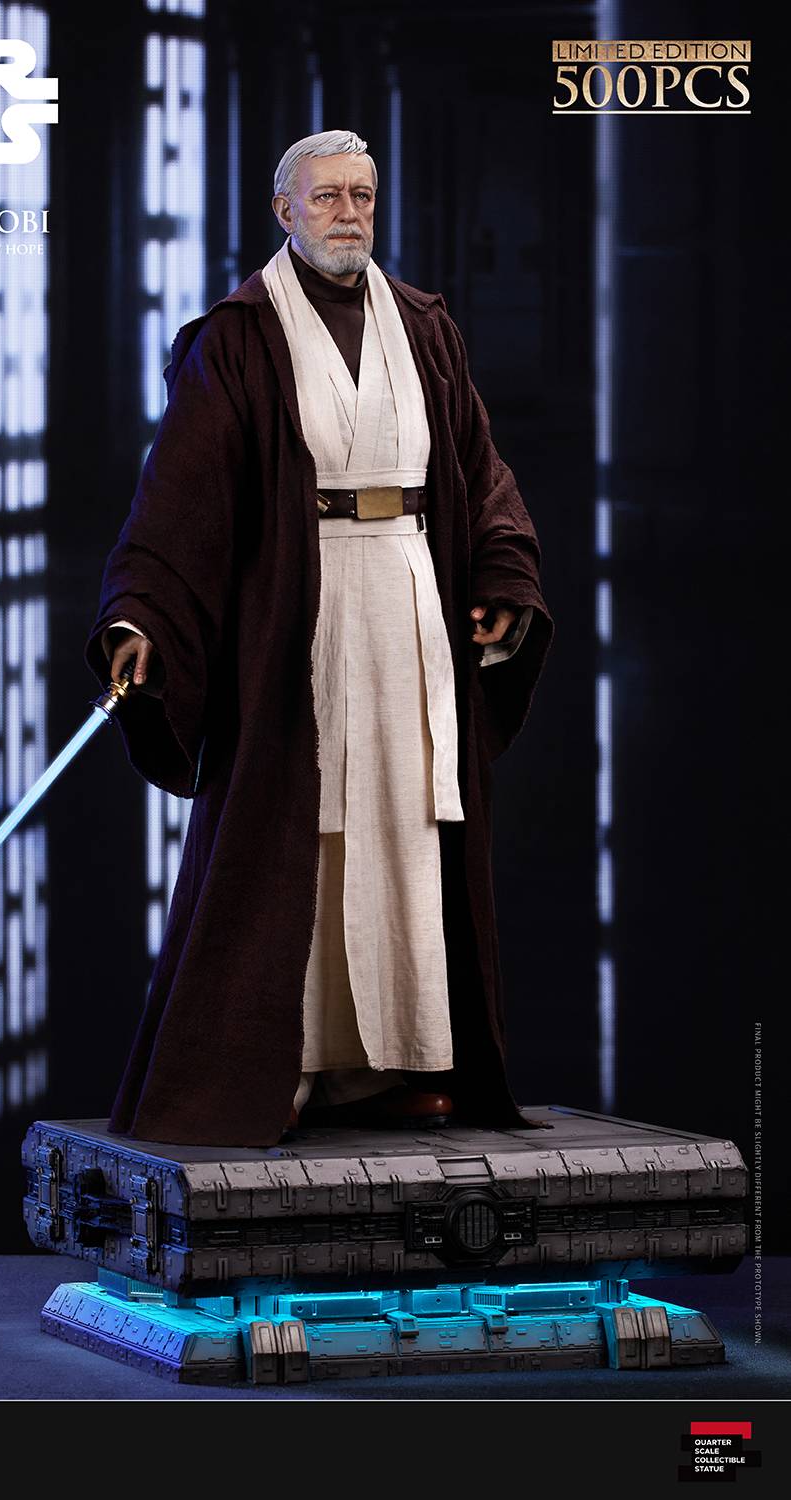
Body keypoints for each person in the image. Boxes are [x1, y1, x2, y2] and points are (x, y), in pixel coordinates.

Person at [86, 130, 554, 1149]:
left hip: (411, 599)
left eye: (363, 196)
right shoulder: (238, 338)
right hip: (299, 610)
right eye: (328, 197)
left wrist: (500, 577)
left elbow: (479, 471)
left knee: (405, 819)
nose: (349, 213)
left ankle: (394, 1064)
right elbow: (178, 502)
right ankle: (286, 1066)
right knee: (306, 824)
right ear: (284, 211)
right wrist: (141, 616)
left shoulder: (424, 325)